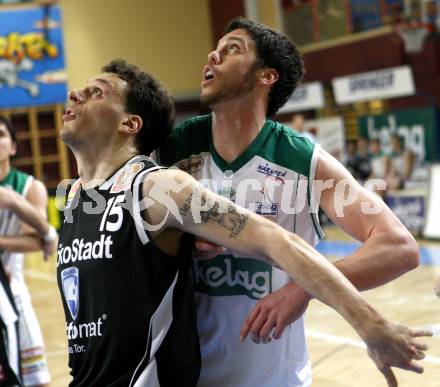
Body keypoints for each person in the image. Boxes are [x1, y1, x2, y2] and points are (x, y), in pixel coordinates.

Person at [58, 58, 432, 387]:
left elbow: (278, 241)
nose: (75, 94)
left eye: (97, 92)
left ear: (130, 123)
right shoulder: (76, 198)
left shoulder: (157, 187)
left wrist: (369, 325)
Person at [157, 18, 424, 387]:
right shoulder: (172, 149)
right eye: (217, 47)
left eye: (233, 48)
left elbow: (399, 246)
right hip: (178, 375)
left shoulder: (302, 160)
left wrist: (304, 287)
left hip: (274, 378)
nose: (213, 55)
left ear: (266, 76)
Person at [0, 116, 57, 387]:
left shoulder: (27, 187)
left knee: (37, 379)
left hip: (12, 290)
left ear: (12, 146)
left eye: (1, 135)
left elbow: (37, 240)